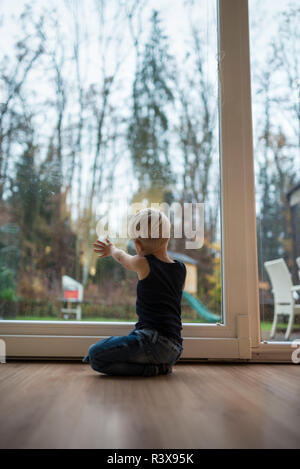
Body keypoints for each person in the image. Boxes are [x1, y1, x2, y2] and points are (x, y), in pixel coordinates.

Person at [82, 208, 186, 376]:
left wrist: (112, 250)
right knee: (128, 342)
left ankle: (153, 369)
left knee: (95, 355)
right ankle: (160, 365)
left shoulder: (143, 262)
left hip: (152, 342)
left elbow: (123, 258)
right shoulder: (181, 268)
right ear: (167, 238)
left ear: (137, 245)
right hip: (175, 348)